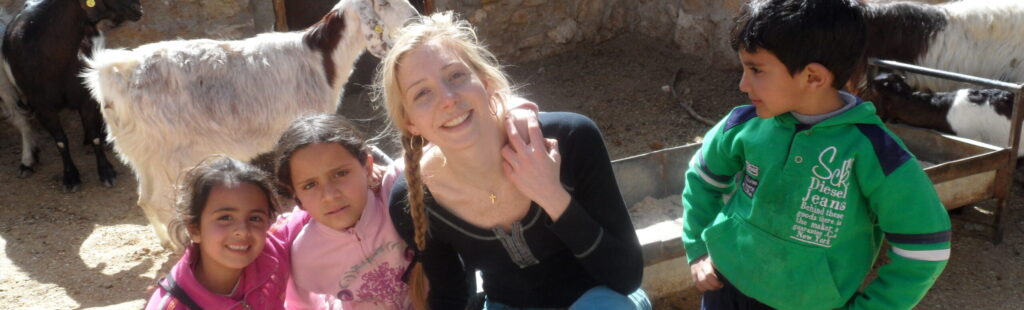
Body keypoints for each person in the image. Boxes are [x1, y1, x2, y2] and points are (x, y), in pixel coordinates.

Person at [682, 0, 951, 309]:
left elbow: (926, 248)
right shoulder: (743, 124)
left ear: (813, 77)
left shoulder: (875, 153)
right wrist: (698, 248)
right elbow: (701, 179)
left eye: (755, 69)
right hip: (725, 288)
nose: (743, 84)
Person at [375, 11, 651, 310]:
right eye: (422, 93)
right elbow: (450, 292)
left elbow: (626, 276)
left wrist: (551, 195)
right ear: (411, 122)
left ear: (485, 82)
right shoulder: (414, 200)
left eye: (456, 75)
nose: (448, 98)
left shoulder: (571, 139)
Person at [273, 114, 411, 309]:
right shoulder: (304, 257)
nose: (330, 195)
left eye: (340, 173)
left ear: (368, 167)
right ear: (296, 196)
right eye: (310, 185)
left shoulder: (396, 193)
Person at [147, 156, 307, 309]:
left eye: (255, 218)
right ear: (194, 229)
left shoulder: (272, 250)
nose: (243, 231)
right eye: (225, 217)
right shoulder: (172, 306)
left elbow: (314, 209)